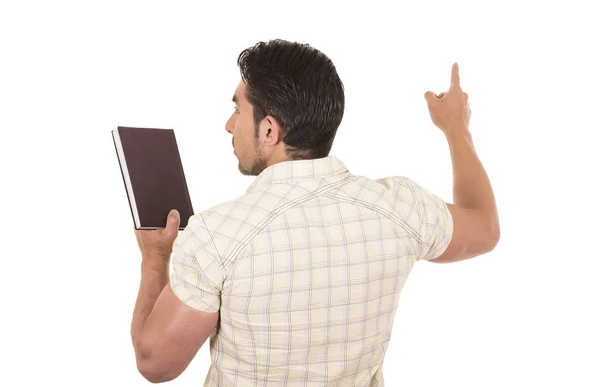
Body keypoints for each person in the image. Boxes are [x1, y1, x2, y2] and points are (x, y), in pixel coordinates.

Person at [129, 39, 500, 386]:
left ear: (270, 129)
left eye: (237, 109)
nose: (229, 124)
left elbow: (156, 362)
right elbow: (484, 227)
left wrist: (155, 256)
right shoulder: (400, 208)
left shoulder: (218, 235)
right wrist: (456, 128)